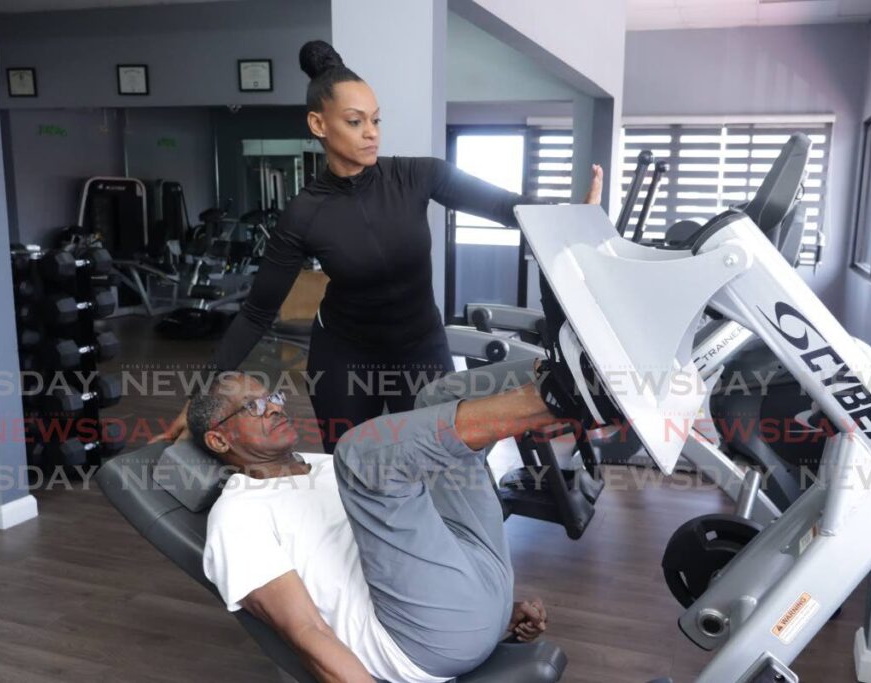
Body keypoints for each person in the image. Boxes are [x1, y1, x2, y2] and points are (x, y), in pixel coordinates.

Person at [156, 39, 603, 450]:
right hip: (344, 359)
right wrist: (199, 399)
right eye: (355, 121)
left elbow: (509, 208)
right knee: (352, 470)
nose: (371, 132)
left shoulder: (416, 175)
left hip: (420, 348)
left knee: (441, 461)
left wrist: (570, 217)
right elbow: (256, 313)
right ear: (318, 124)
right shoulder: (303, 214)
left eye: (375, 119)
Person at [187, 357, 608, 682]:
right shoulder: (237, 514)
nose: (275, 408)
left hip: (474, 592)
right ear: (219, 438)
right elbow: (306, 632)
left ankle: (572, 370)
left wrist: (497, 614)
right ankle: (558, 398)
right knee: (362, 452)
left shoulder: (321, 465)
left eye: (274, 397)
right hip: (419, 642)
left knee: (436, 397)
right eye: (254, 406)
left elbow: (410, 548)